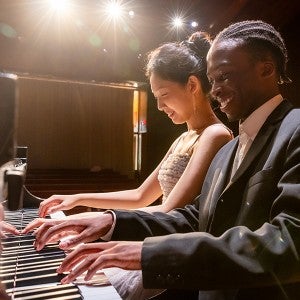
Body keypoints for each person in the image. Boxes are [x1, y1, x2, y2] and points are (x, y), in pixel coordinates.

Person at [24, 19, 300, 300]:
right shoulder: (230, 149)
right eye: (212, 78)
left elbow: (289, 242)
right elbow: (198, 218)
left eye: (224, 76)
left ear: (267, 69)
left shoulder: (295, 130)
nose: (215, 90)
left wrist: (148, 253)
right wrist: (110, 221)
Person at [38, 32, 232, 218]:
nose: (159, 106)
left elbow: (171, 210)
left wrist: (94, 219)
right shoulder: (183, 138)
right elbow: (140, 196)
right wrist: (77, 199)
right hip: (163, 234)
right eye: (156, 97)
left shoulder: (215, 134)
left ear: (192, 85)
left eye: (163, 94)